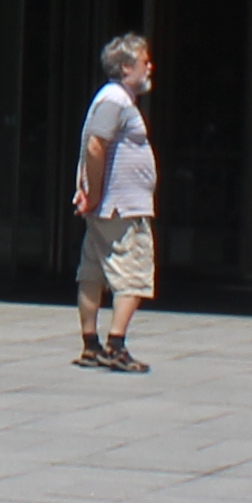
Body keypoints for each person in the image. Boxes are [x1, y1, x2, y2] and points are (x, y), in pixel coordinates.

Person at [71, 31, 155, 374]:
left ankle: (91, 345)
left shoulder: (111, 99)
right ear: (125, 67)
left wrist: (88, 191)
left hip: (106, 207)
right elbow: (95, 145)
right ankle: (115, 345)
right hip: (120, 209)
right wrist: (93, 192)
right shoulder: (115, 100)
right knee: (133, 275)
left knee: (92, 272)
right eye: (144, 62)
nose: (150, 67)